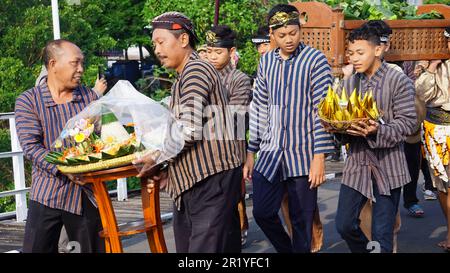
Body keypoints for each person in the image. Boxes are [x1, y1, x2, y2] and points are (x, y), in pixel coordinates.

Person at [134, 12, 242, 253]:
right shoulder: (185, 76)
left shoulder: (195, 70)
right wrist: (165, 168)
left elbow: (189, 128)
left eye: (161, 42)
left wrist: (157, 157)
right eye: (154, 44)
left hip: (211, 178)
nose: (157, 49)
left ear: (183, 40)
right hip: (195, 180)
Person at [243, 4, 335, 253]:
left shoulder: (315, 61)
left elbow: (322, 112)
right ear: (272, 34)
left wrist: (319, 158)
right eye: (282, 35)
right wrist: (251, 152)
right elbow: (260, 106)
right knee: (262, 212)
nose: (288, 40)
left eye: (293, 33)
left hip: (303, 155)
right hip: (271, 153)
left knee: (302, 223)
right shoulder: (266, 63)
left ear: (300, 29)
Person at [330, 25, 416, 253]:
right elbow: (340, 119)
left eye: (360, 53)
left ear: (378, 50)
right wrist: (336, 127)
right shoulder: (349, 84)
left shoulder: (398, 81)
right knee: (344, 225)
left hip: (388, 166)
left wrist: (377, 129)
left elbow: (407, 123)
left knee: (382, 233)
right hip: (357, 164)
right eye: (351, 53)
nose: (354, 59)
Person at [15, 39, 105, 253]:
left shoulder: (89, 97)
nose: (81, 69)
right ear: (53, 64)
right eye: (75, 63)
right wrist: (63, 168)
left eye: (82, 63)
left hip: (86, 192)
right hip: (47, 193)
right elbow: (31, 146)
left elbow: (103, 141)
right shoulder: (29, 101)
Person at [205, 25, 253, 247]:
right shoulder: (201, 77)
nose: (213, 57)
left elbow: (236, 119)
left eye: (218, 52)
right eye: (209, 51)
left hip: (230, 155)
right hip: (204, 157)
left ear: (231, 52)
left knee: (229, 212)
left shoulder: (239, 79)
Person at [415, 26, 450, 251]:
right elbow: (421, 93)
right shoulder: (433, 65)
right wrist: (432, 66)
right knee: (442, 185)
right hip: (436, 127)